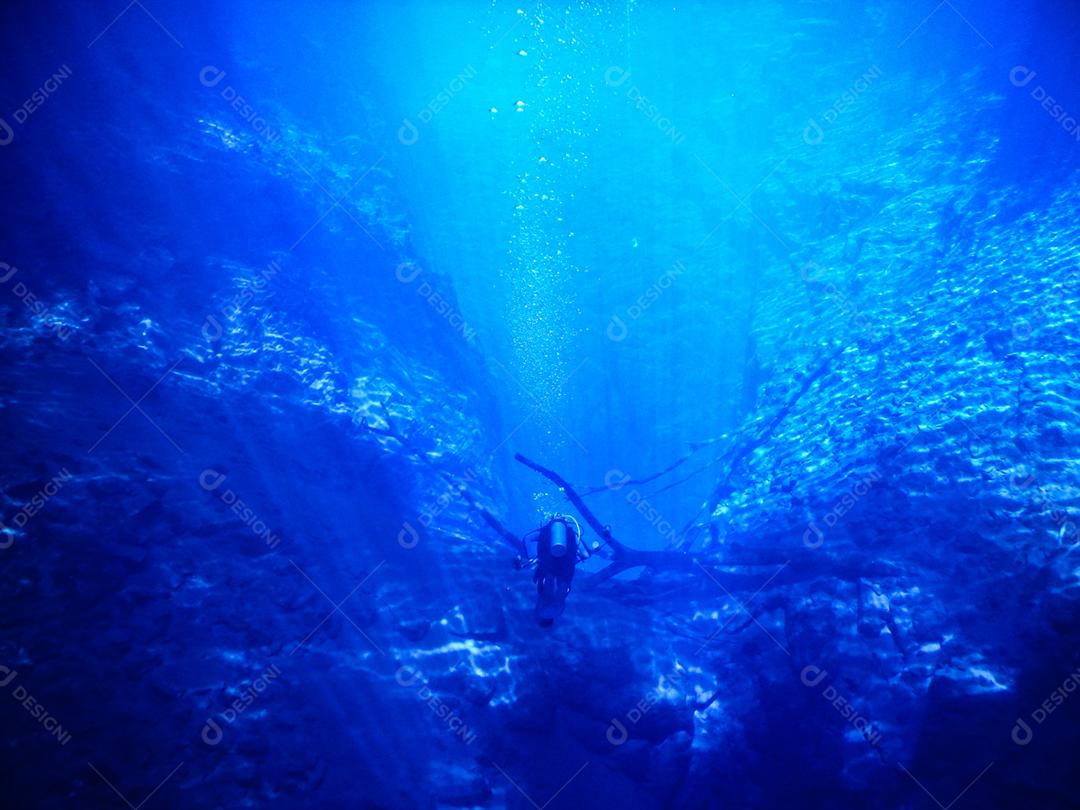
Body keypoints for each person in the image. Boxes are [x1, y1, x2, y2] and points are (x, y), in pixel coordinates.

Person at [531, 516, 580, 627]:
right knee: (555, 580)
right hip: (563, 561)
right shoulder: (568, 532)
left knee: (557, 580)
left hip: (564, 565)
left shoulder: (558, 611)